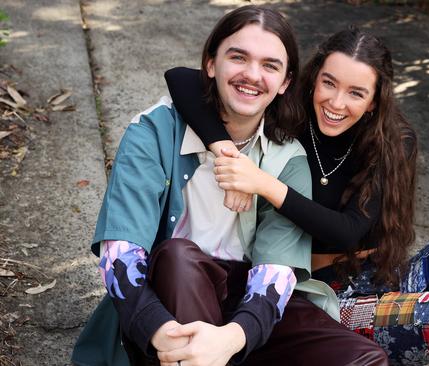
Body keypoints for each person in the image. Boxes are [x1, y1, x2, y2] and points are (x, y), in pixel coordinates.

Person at [165, 27, 429, 366]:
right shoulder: (289, 112)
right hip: (325, 298)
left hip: (384, 281)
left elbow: (349, 231)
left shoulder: (393, 142)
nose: (337, 103)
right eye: (329, 83)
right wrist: (226, 152)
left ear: (375, 100)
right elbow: (181, 79)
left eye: (356, 93)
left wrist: (262, 183)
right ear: (313, 80)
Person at [71, 7, 388, 366]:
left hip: (250, 307)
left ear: (286, 82)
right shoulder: (153, 132)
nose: (252, 75)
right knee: (179, 258)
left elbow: (276, 271)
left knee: (362, 357)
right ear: (211, 64)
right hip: (168, 305)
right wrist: (161, 332)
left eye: (270, 65)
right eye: (238, 57)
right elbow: (120, 256)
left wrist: (231, 339)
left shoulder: (288, 157)